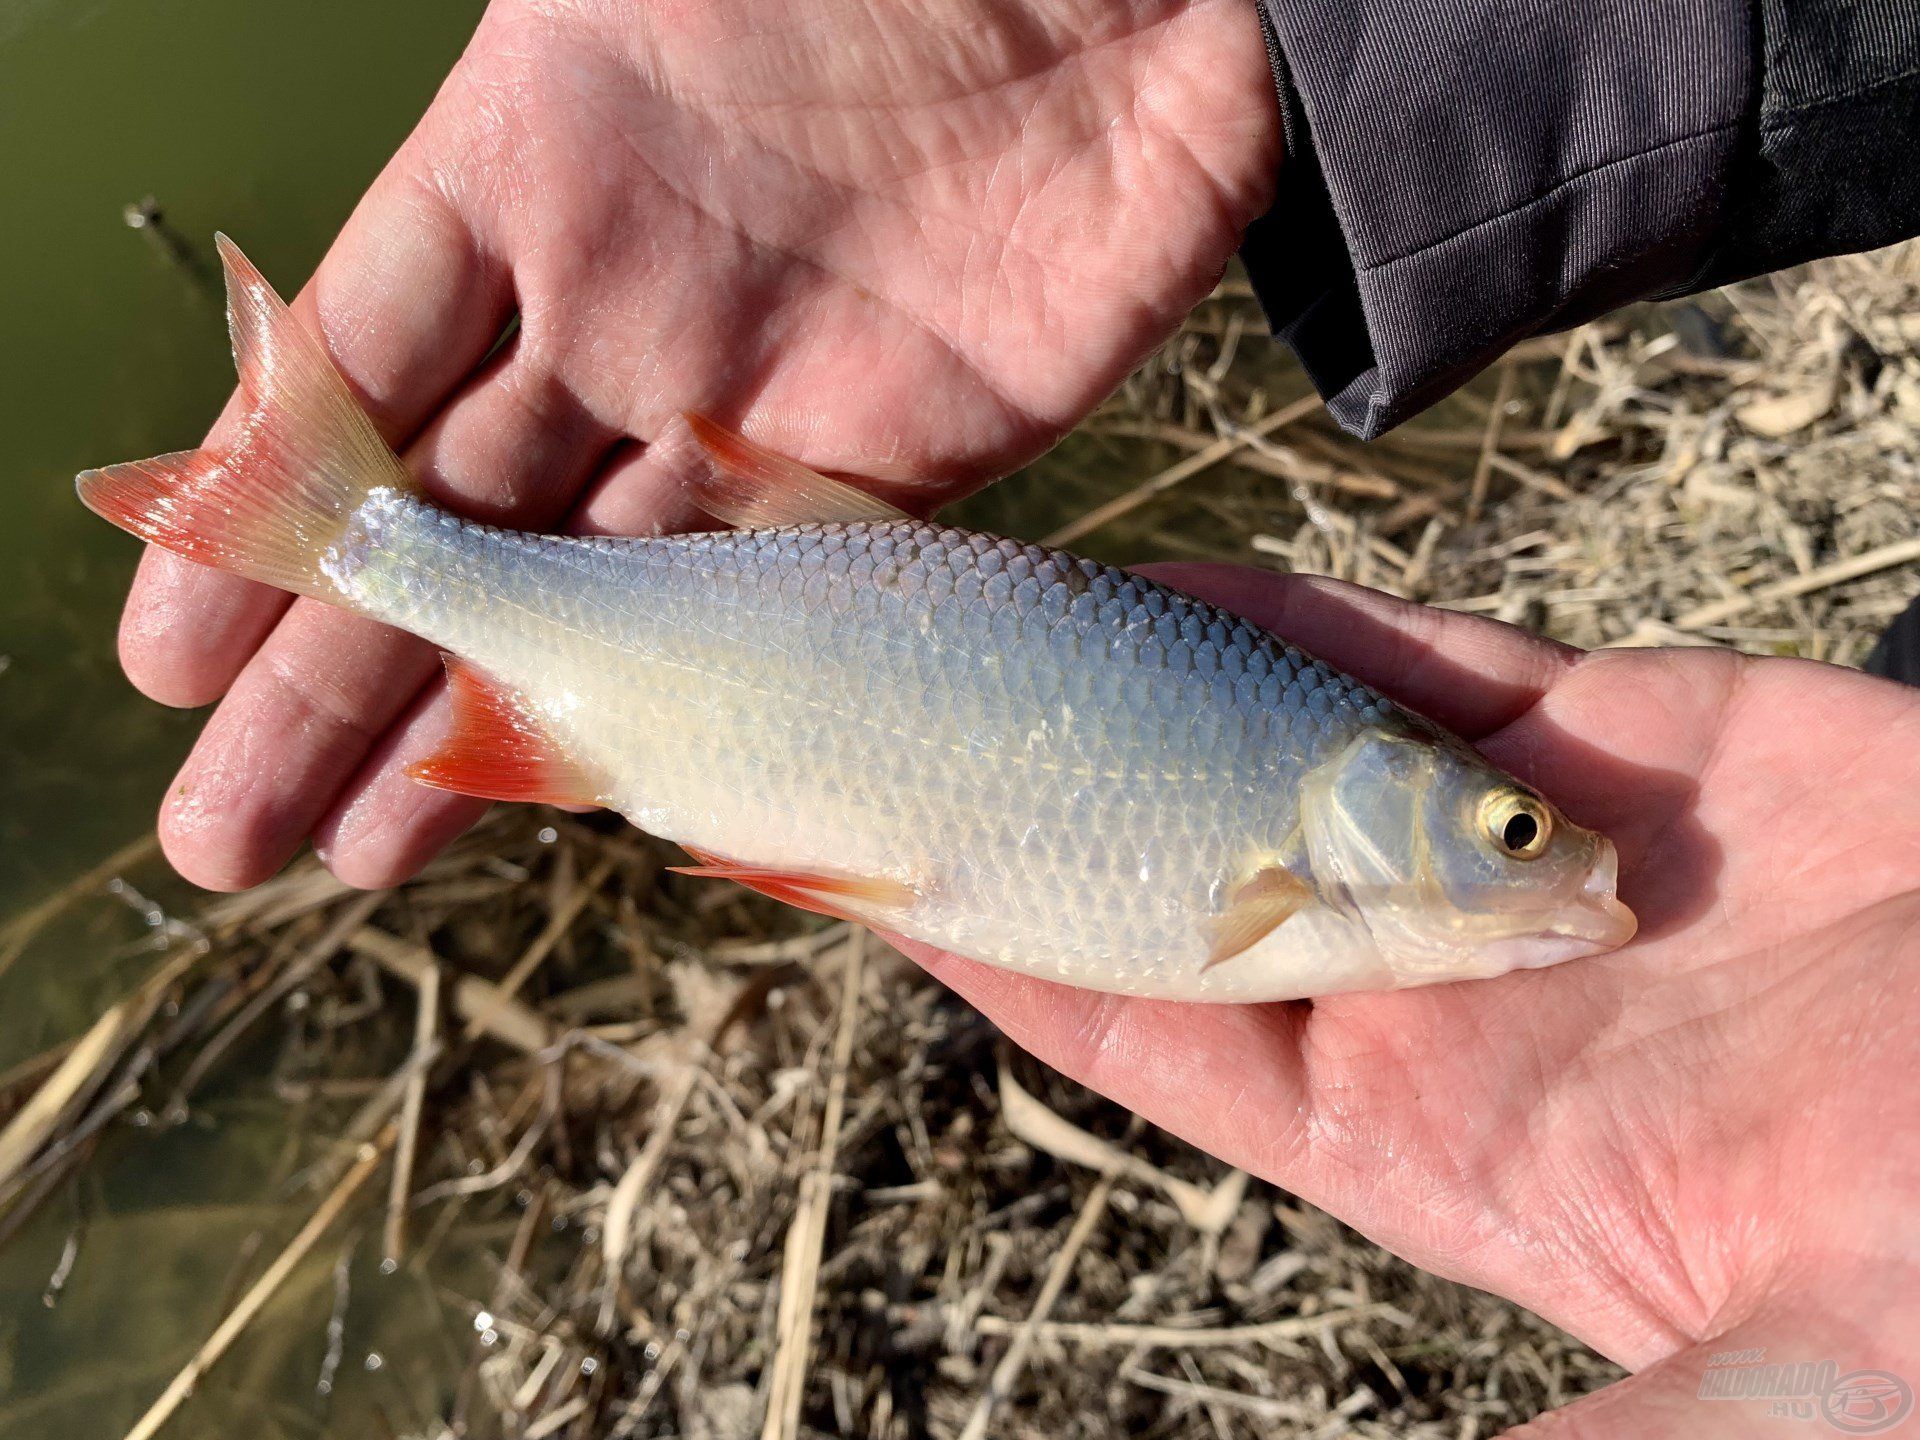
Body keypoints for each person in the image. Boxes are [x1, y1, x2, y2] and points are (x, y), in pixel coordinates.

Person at [111, 1, 1920, 1431]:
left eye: (1522, 826)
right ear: (1388, 801)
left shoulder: (1345, 884)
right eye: (1514, 829)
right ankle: (359, 529)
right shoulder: (1317, 864)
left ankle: (352, 525)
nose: (1552, 850)